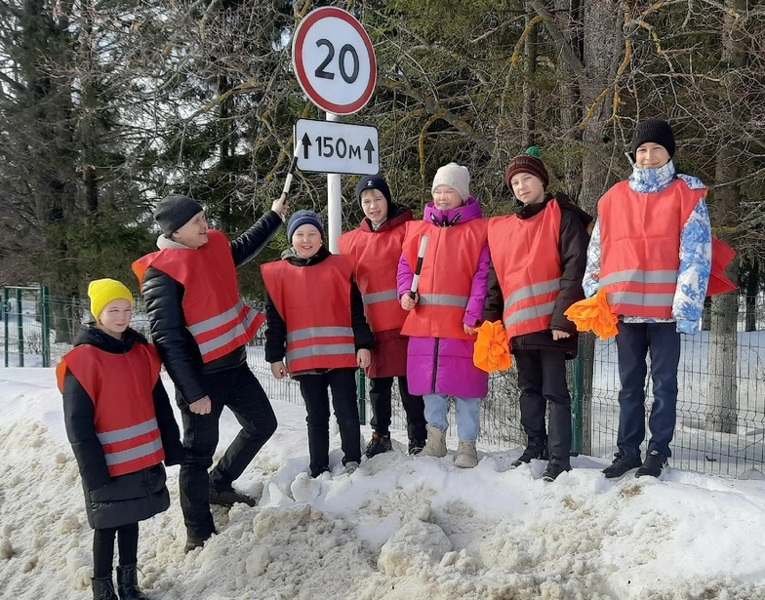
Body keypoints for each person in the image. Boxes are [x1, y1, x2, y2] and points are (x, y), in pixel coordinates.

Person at [132, 193, 286, 552]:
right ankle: (197, 532)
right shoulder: (160, 274)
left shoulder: (211, 245)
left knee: (262, 424)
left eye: (203, 217)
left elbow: (243, 246)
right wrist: (191, 391)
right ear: (176, 231)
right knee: (196, 454)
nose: (206, 225)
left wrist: (274, 216)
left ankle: (219, 483)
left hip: (235, 365)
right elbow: (167, 339)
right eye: (197, 222)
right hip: (200, 380)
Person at [583, 119, 712, 478]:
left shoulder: (686, 194)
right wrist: (594, 296)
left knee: (664, 386)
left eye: (657, 149)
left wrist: (684, 306)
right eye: (642, 150)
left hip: (665, 313)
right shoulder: (612, 198)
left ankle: (657, 450)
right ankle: (627, 452)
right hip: (625, 312)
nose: (649, 156)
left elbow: (696, 255)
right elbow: (597, 251)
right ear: (633, 154)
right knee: (628, 387)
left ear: (669, 153)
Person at [58, 278, 183, 600]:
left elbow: (159, 403)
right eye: (113, 310)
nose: (122, 316)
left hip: (141, 459)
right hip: (106, 464)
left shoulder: (141, 351)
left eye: (127, 309)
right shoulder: (82, 360)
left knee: (131, 521)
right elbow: (78, 423)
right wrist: (93, 472)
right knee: (106, 526)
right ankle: (103, 589)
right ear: (97, 313)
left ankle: (129, 586)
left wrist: (171, 447)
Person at [484, 148, 591, 481]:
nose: (521, 186)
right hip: (519, 326)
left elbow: (576, 268)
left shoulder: (563, 215)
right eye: (515, 181)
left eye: (527, 178)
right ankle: (535, 447)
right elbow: (495, 277)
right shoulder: (502, 228)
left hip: (552, 325)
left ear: (541, 180)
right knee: (528, 390)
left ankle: (559, 457)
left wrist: (563, 318)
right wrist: (491, 321)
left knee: (555, 393)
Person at [261, 210, 373, 477]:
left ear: (321, 238)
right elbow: (274, 322)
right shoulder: (278, 276)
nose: (306, 239)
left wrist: (363, 344)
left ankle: (352, 460)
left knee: (346, 411)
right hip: (305, 360)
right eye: (300, 234)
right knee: (316, 417)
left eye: (312, 233)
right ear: (291, 239)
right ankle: (318, 466)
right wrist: (275, 357)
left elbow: (357, 312)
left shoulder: (340, 268)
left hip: (342, 358)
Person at [397, 163, 490, 468]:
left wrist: (474, 314)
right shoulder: (417, 230)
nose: (441, 196)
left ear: (462, 194)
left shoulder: (479, 231)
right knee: (430, 385)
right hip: (424, 323)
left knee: (466, 389)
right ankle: (435, 439)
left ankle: (467, 444)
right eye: (437, 190)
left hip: (463, 325)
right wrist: (404, 294)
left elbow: (482, 276)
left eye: (448, 190)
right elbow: (405, 268)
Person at [338, 175, 427, 457]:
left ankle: (418, 436)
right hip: (372, 325)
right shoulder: (350, 242)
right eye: (366, 201)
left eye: (378, 199)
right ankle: (381, 434)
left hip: (407, 322)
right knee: (378, 387)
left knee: (410, 385)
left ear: (388, 200)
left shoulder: (409, 230)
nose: (373, 205)